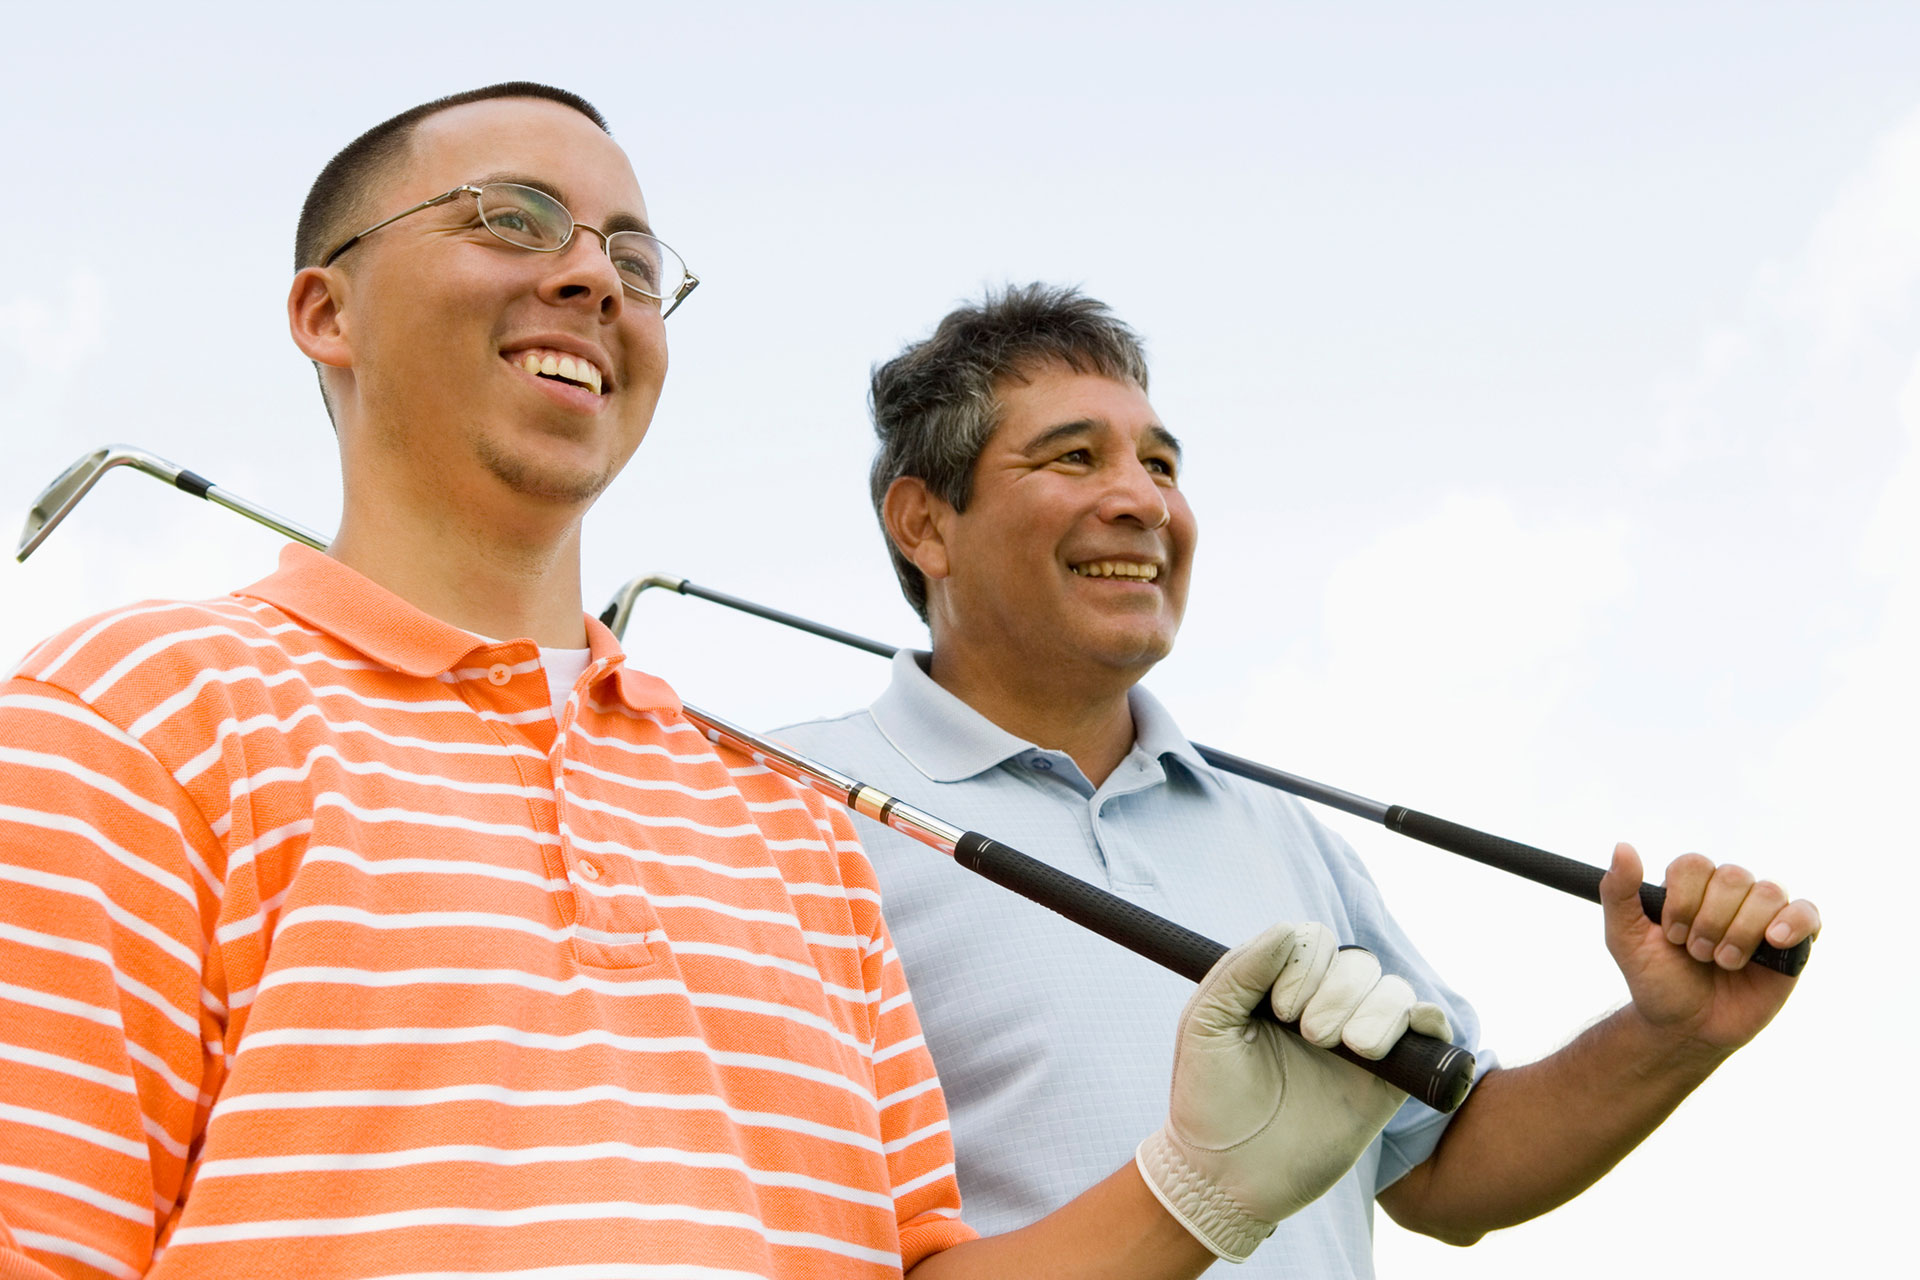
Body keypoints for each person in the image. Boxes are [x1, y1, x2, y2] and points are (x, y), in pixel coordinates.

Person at [0, 88, 1445, 1279]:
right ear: (328, 311)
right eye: (511, 220)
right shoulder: (126, 719)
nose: (589, 277)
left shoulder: (794, 818)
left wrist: (1197, 1189)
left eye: (636, 263)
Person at [777, 284, 1823, 1277]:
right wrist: (1200, 1186)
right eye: (1074, 457)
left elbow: (1443, 1168)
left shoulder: (1277, 832)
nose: (1143, 501)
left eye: (1163, 465)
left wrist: (1672, 1033)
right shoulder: (779, 808)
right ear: (924, 524)